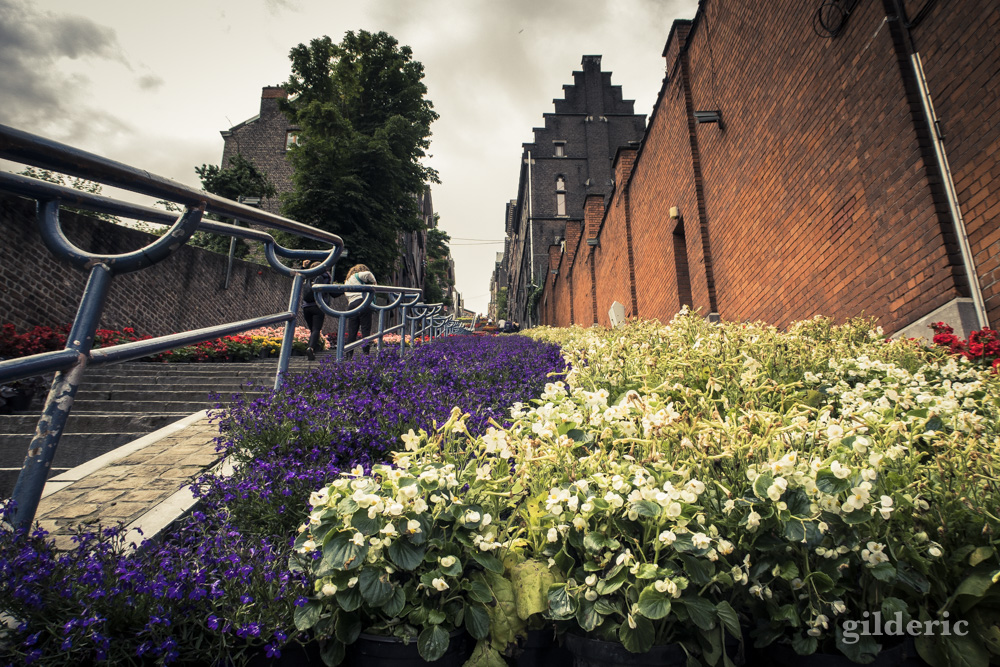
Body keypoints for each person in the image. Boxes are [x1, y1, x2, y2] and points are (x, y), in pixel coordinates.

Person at [344, 264, 377, 357]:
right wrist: (374, 283)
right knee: (365, 329)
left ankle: (349, 354)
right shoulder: (357, 275)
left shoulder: (347, 281)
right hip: (362, 303)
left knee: (352, 331)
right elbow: (368, 274)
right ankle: (366, 353)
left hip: (351, 305)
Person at [300, 260, 330, 361]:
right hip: (318, 306)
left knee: (313, 330)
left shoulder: (308, 276)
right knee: (316, 329)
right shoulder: (325, 277)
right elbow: (330, 291)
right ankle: (311, 348)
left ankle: (314, 348)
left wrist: (304, 267)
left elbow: (300, 276)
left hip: (306, 306)